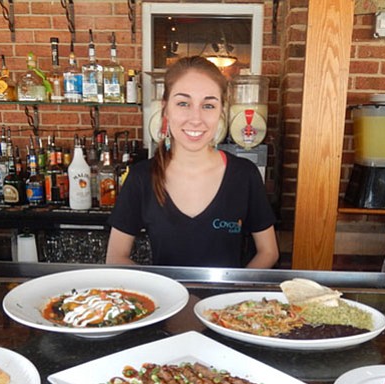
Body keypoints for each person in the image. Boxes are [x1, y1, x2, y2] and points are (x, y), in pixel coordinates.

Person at [106, 56, 279, 268]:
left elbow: (268, 251)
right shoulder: (142, 177)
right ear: (166, 108)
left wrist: (233, 297)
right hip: (167, 301)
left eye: (208, 105)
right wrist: (163, 295)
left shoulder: (245, 175)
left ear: (221, 110)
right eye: (183, 103)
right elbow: (116, 257)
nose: (195, 118)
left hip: (225, 301)